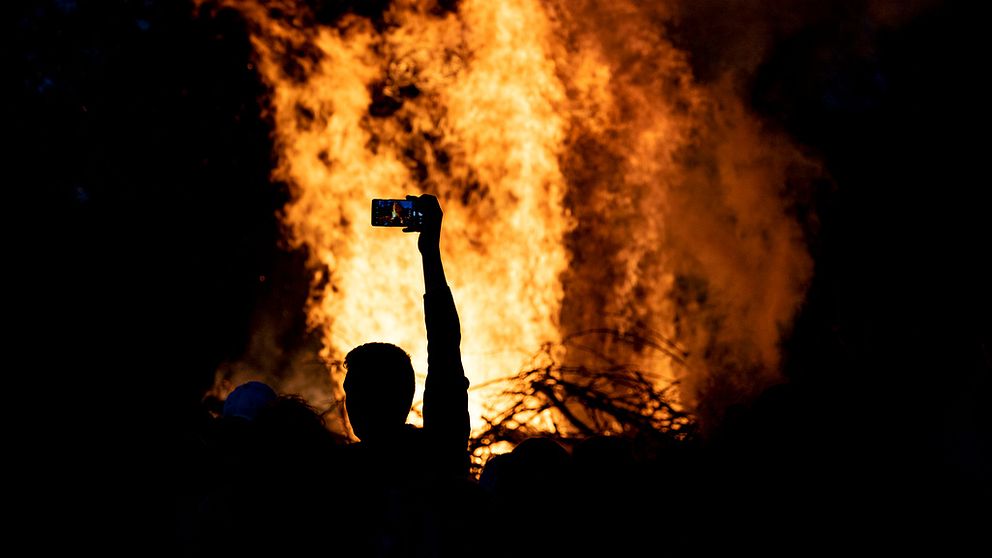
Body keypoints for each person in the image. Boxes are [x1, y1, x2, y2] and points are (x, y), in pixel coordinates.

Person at [340, 194, 471, 556]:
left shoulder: (339, 475)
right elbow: (445, 351)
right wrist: (429, 252)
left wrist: (430, 253)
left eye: (358, 392)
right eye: (349, 393)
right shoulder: (438, 453)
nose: (351, 404)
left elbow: (445, 350)